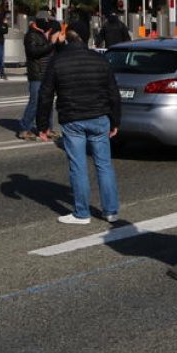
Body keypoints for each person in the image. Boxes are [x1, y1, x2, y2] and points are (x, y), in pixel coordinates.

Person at [37, 27, 121, 225]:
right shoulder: (100, 60)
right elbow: (113, 92)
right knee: (104, 165)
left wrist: (42, 125)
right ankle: (111, 211)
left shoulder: (57, 61)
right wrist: (116, 120)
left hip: (73, 118)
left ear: (65, 40)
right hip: (100, 117)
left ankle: (82, 213)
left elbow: (45, 94)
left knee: (78, 167)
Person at [19, 13, 57, 140]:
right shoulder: (31, 35)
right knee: (35, 102)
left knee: (48, 102)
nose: (49, 24)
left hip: (47, 72)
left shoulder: (43, 34)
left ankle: (47, 128)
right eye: (48, 21)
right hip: (37, 73)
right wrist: (51, 44)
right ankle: (25, 128)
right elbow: (33, 52)